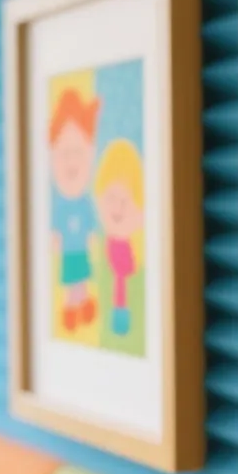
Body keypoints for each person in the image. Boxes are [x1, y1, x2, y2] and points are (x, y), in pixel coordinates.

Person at [49, 85, 101, 331]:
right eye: (64, 154)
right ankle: (71, 308)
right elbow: (56, 228)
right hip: (69, 252)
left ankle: (85, 303)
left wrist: (91, 237)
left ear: (89, 155)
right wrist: (56, 239)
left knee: (83, 278)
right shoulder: (59, 206)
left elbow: (91, 223)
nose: (72, 163)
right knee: (71, 281)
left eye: (77, 153)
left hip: (80, 250)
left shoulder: (85, 202)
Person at [95, 139, 145, 336]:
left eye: (125, 200)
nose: (117, 208)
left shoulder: (140, 252)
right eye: (111, 198)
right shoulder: (102, 247)